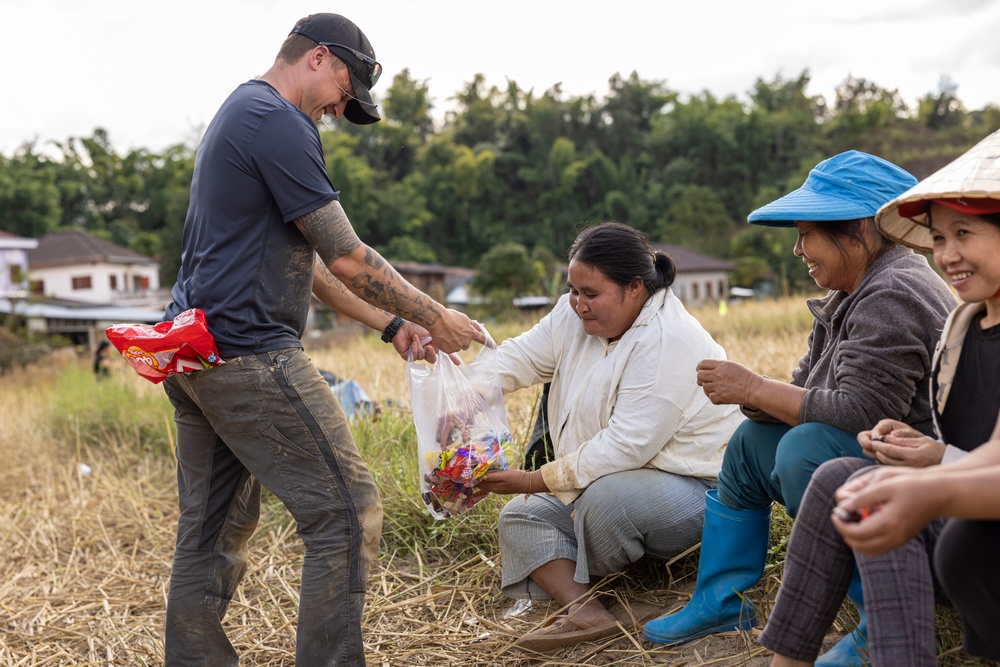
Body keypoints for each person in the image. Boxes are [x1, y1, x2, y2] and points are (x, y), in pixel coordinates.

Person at [159, 13, 483, 666]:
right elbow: (345, 256)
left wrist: (394, 324)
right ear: (319, 58)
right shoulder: (277, 121)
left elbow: (310, 267)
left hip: (195, 355)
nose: (341, 109)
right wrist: (435, 313)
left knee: (210, 534)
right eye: (346, 91)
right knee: (346, 515)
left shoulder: (242, 113)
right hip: (249, 356)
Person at [643, 151, 958, 663]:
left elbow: (862, 415)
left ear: (858, 229)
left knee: (805, 450)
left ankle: (881, 621)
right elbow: (804, 390)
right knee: (751, 445)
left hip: (923, 484)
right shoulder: (848, 293)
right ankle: (724, 600)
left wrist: (754, 387)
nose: (797, 250)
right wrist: (751, 394)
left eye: (807, 234)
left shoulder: (893, 291)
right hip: (878, 458)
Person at [759, 128, 1000, 666]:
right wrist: (931, 456)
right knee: (843, 479)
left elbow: (855, 407)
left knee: (875, 487)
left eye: (965, 233)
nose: (949, 255)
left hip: (979, 537)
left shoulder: (892, 292)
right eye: (939, 238)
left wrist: (931, 490)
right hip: (969, 531)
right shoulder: (965, 326)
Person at [476, 222, 745, 652]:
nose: (577, 304)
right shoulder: (574, 313)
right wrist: (462, 392)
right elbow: (522, 357)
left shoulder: (667, 339)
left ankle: (610, 567)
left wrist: (533, 480)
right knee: (518, 516)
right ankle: (587, 611)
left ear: (635, 287)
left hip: (697, 489)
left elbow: (627, 445)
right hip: (608, 478)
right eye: (572, 290)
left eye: (590, 293)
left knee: (604, 501)